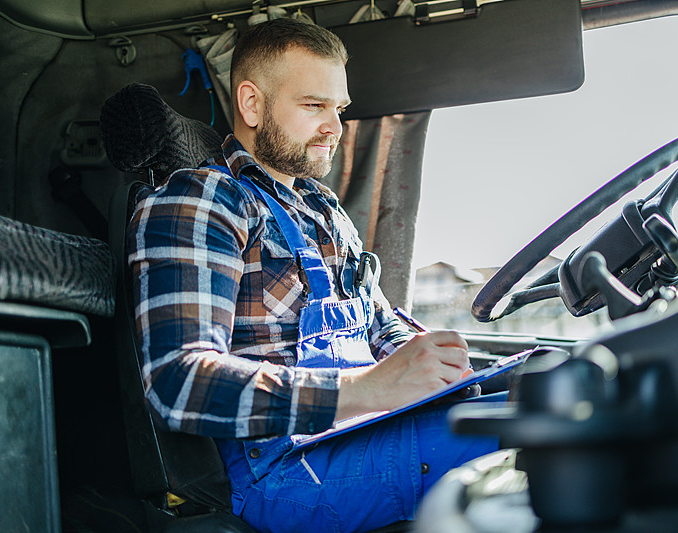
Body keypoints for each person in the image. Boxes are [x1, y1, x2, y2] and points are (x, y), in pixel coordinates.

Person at [128, 18, 498, 533]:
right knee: (542, 438)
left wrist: (431, 364)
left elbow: (376, 322)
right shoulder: (202, 199)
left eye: (338, 108)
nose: (334, 127)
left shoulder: (321, 207)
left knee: (545, 388)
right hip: (282, 468)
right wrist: (368, 387)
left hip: (361, 429)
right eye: (313, 106)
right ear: (253, 104)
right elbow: (180, 380)